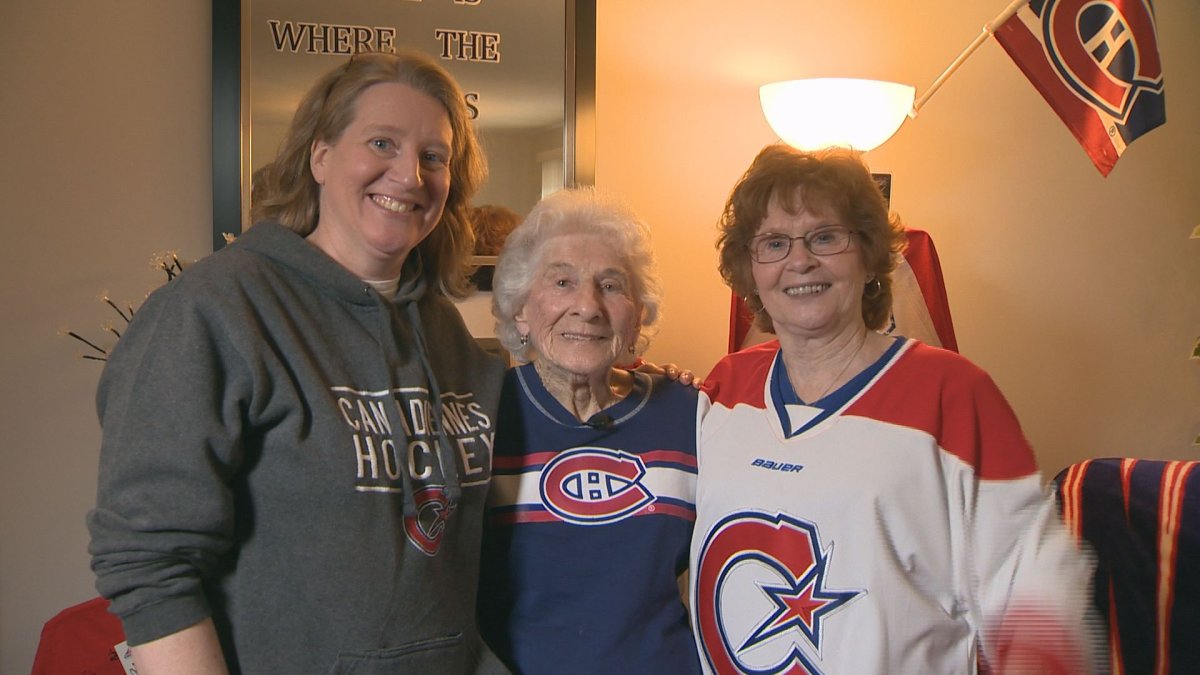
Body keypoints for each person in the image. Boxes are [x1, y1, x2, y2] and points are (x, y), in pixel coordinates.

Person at [87, 50, 508, 674]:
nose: (410, 175)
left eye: (433, 156)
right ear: (320, 155)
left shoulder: (444, 330)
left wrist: (624, 385)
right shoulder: (216, 309)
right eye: (382, 143)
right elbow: (149, 563)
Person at [689, 144, 1101, 674]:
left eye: (825, 237)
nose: (799, 261)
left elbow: (1036, 593)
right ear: (750, 268)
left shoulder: (952, 393)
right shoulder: (724, 386)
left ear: (869, 254)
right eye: (773, 243)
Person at [477, 188, 702, 674]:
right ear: (520, 308)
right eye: (562, 281)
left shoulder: (691, 416)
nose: (588, 306)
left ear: (638, 313)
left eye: (612, 285)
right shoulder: (483, 414)